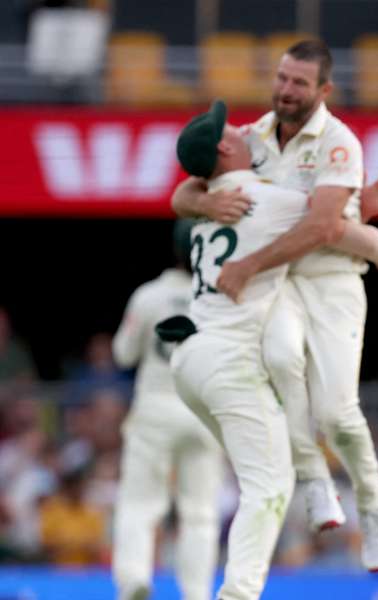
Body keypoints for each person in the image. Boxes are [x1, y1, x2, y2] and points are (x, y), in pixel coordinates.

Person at [171, 39, 378, 570]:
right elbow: (180, 196)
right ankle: (315, 480)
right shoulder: (249, 137)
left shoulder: (338, 142)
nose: (285, 90)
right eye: (281, 78)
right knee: (277, 363)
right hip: (278, 285)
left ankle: (374, 500)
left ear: (324, 90)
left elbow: (325, 226)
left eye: (299, 82)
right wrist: (206, 201)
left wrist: (373, 233)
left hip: (331, 282)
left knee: (337, 414)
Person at [110, 221, 224, 600]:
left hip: (156, 407)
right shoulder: (220, 296)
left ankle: (134, 580)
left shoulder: (149, 296)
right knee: (200, 512)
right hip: (203, 409)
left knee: (140, 503)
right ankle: (196, 594)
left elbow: (123, 353)